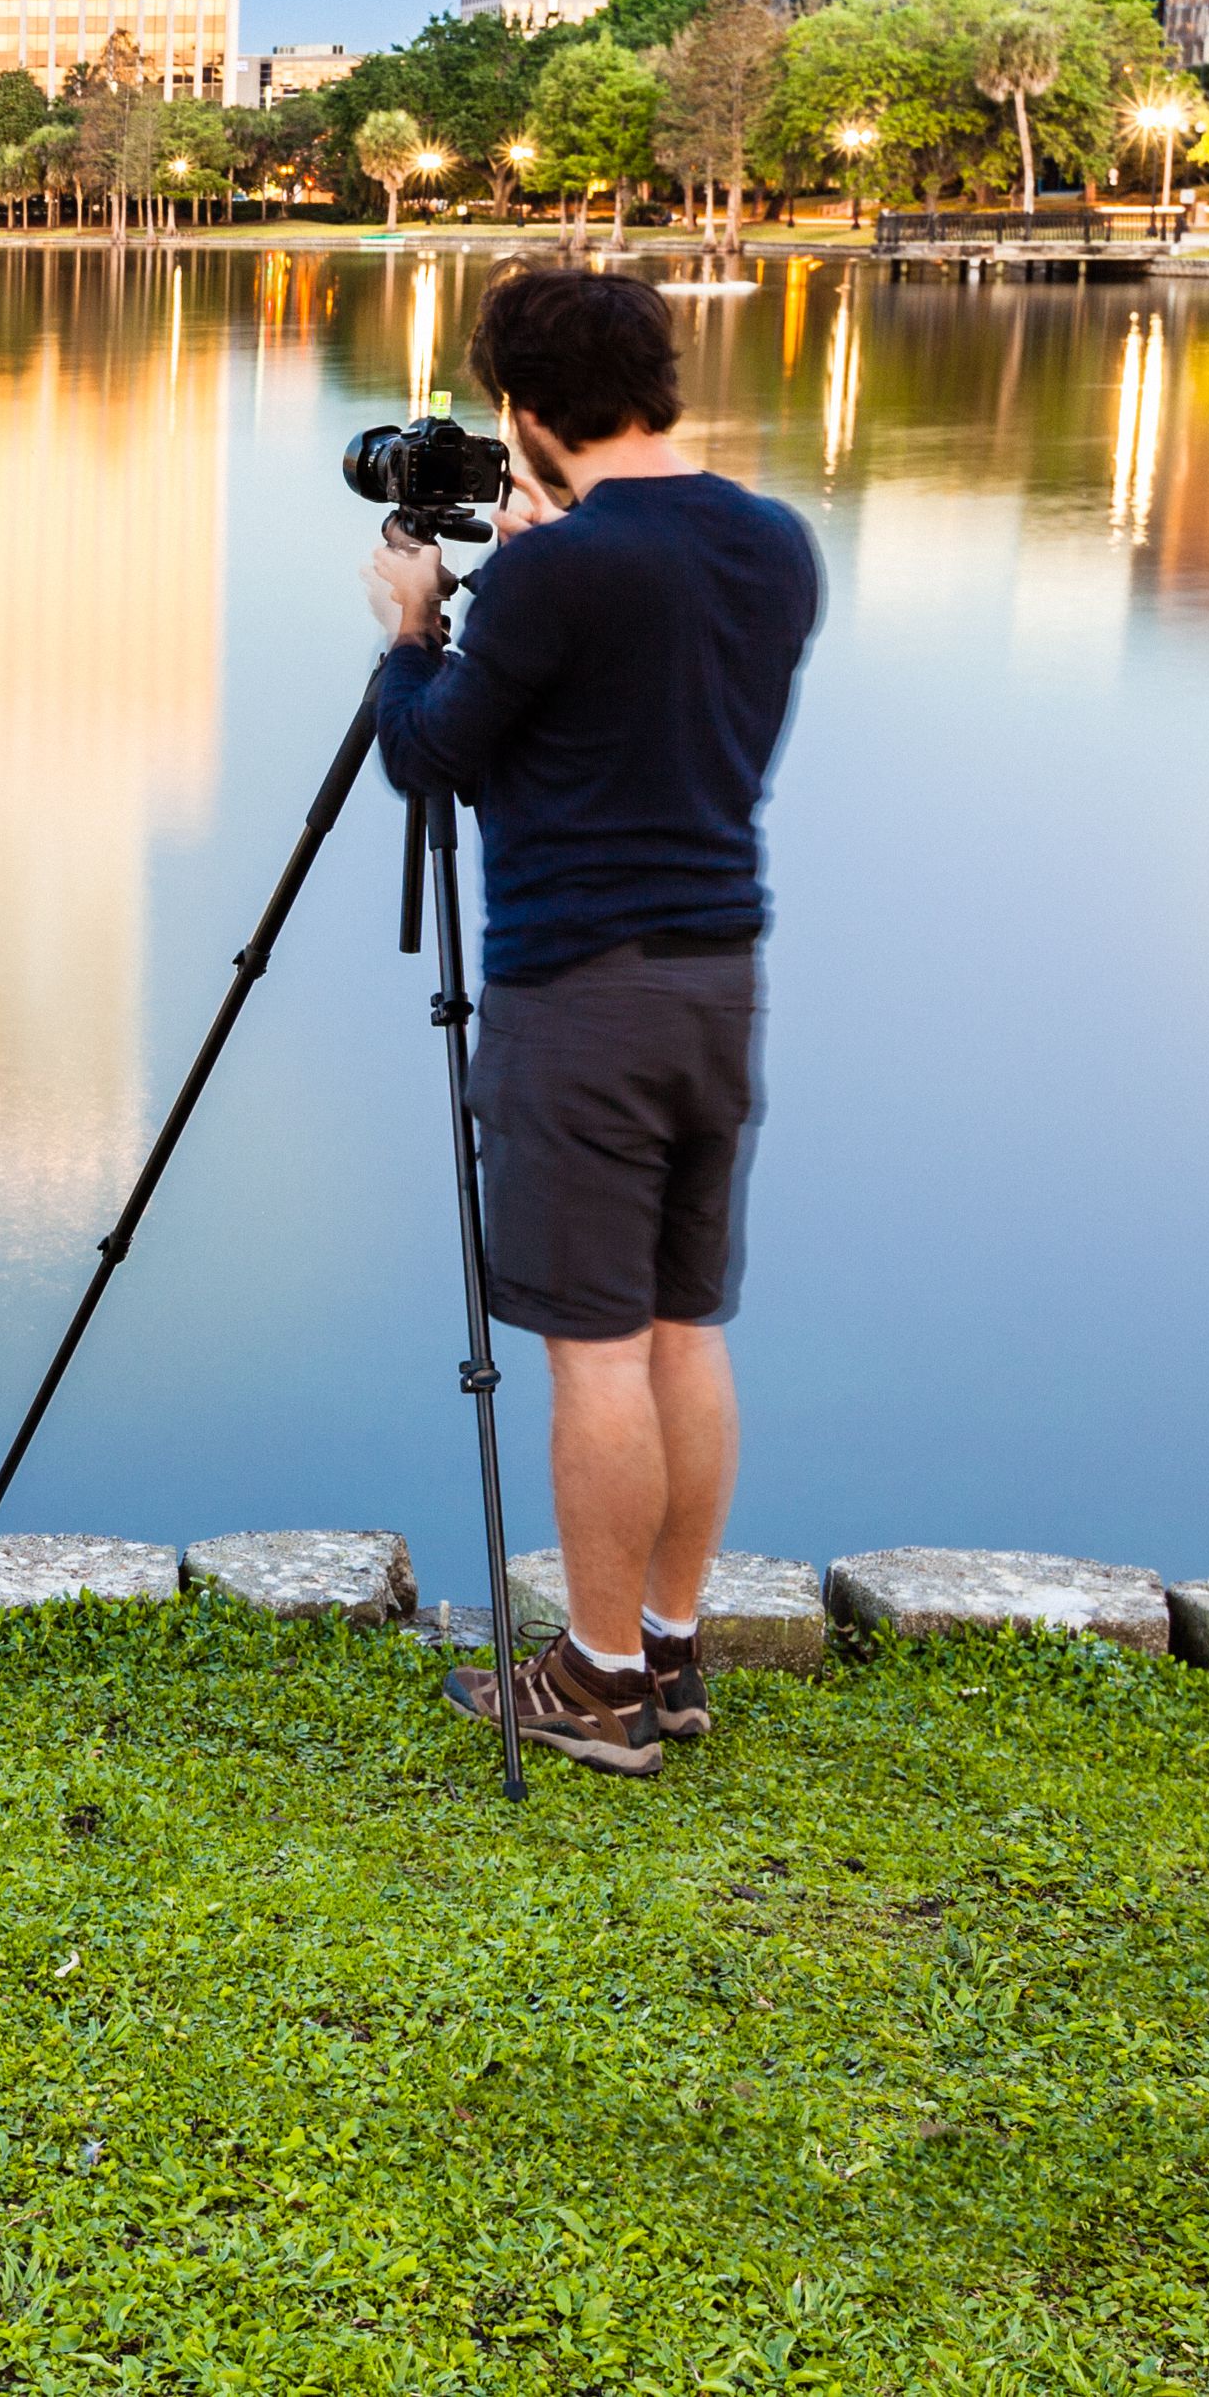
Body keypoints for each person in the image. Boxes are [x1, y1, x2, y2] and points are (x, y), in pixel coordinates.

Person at [362, 264, 822, 1778]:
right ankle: (669, 1651)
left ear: (519, 408)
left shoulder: (559, 578)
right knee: (684, 1327)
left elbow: (436, 759)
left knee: (592, 1350)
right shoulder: (773, 545)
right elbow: (629, 722)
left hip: (579, 992)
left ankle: (597, 1683)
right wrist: (529, 584)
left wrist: (412, 631)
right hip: (717, 978)